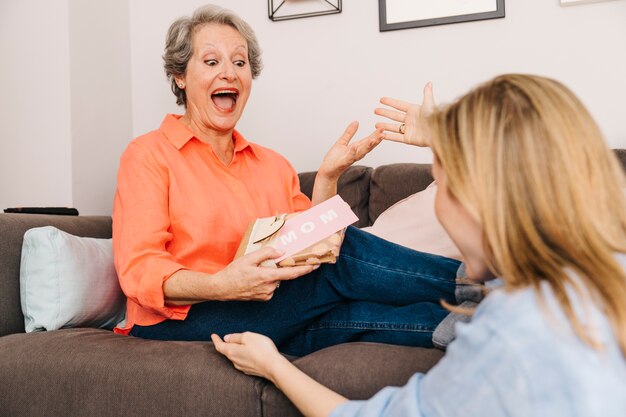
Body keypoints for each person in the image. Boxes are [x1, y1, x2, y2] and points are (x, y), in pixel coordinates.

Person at [212, 74, 626, 416]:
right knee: (349, 290)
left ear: (478, 199)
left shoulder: (508, 337)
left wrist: (273, 366)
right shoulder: (604, 272)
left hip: (294, 294)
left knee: (345, 252)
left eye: (440, 185)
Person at [112, 4, 461, 357]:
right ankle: (478, 285)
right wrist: (222, 285)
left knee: (355, 313)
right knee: (343, 250)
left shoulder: (272, 164)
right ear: (180, 76)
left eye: (239, 62)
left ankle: (483, 324)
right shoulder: (148, 155)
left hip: (267, 308)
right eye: (211, 61)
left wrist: (327, 177)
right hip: (177, 320)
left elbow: (310, 244)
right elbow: (139, 269)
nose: (229, 74)